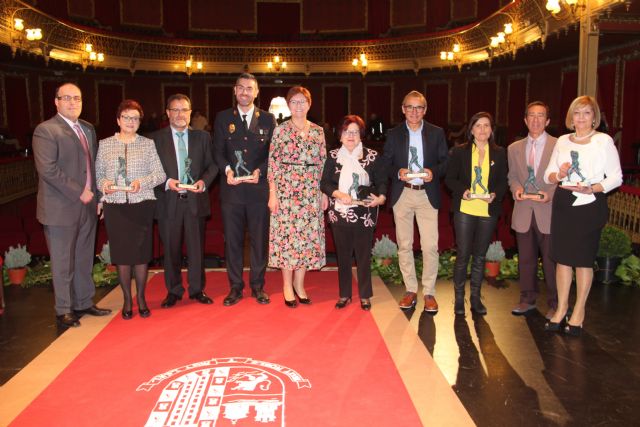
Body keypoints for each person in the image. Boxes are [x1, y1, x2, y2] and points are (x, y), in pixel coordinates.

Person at [32, 82, 111, 327]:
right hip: (60, 208)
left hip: (88, 205)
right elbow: (48, 170)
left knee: (84, 258)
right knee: (63, 262)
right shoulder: (46, 130)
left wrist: (97, 197)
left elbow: (93, 167)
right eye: (66, 98)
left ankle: (84, 302)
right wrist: (80, 192)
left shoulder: (87, 128)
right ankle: (64, 309)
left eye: (77, 98)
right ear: (56, 102)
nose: (72, 102)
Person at [543, 96, 622, 336]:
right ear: (571, 116)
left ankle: (579, 311)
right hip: (564, 204)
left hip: (589, 204)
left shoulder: (603, 141)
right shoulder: (562, 141)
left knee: (582, 260)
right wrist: (560, 174)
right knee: (563, 259)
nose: (581, 118)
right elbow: (548, 175)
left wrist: (593, 188)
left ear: (594, 116)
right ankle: (561, 309)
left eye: (587, 113)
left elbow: (616, 177)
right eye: (577, 113)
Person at [95, 100, 166, 319]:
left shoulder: (147, 144)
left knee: (141, 255)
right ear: (118, 120)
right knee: (123, 256)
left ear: (140, 122)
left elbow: (160, 174)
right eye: (126, 117)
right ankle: (127, 300)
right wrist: (105, 184)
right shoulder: (105, 144)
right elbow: (98, 175)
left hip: (141, 204)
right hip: (115, 206)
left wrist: (141, 183)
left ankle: (141, 298)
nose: (130, 121)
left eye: (135, 118)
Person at [213, 73, 277, 306]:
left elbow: (273, 154)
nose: (244, 92)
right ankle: (235, 287)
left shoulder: (268, 119)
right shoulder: (222, 118)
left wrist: (261, 170)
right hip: (232, 191)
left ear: (256, 92)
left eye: (249, 88)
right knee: (233, 241)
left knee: (259, 241)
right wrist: (227, 170)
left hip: (258, 190)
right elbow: (217, 151)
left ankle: (258, 286)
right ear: (234, 90)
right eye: (240, 88)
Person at [382, 90, 448, 313]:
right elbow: (385, 163)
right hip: (403, 194)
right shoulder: (394, 134)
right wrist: (397, 172)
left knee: (430, 246)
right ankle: (410, 289)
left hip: (427, 194)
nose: (414, 111)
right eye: (409, 107)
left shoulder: (437, 133)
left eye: (418, 107)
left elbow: (445, 162)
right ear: (403, 109)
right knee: (404, 245)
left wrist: (433, 172)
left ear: (425, 110)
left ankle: (429, 292)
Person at [152, 94, 218, 308]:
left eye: (184, 110)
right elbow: (150, 170)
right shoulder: (155, 139)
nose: (180, 114)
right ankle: (173, 291)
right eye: (176, 110)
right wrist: (167, 182)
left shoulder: (202, 137)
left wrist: (203, 182)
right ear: (168, 113)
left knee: (196, 249)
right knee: (170, 250)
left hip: (194, 201)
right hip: (168, 201)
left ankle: (197, 289)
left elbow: (213, 166)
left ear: (190, 113)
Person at [267, 86, 328, 307]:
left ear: (309, 104)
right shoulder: (280, 130)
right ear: (288, 105)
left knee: (306, 239)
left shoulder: (318, 131)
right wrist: (273, 194)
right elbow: (273, 164)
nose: (298, 105)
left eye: (303, 101)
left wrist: (323, 192)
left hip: (311, 192)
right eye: (294, 101)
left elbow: (323, 164)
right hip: (286, 191)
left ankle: (300, 285)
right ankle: (287, 285)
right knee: (287, 240)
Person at [321, 115, 387, 310]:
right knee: (343, 256)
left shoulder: (372, 156)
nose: (351, 136)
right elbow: (324, 183)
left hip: (364, 213)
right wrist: (338, 194)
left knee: (363, 256)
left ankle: (365, 295)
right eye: (347, 132)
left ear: (361, 135)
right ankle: (344, 294)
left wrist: (381, 198)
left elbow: (382, 181)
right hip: (339, 213)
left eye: (355, 132)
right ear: (340, 135)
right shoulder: (333, 156)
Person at [445, 112, 508, 316]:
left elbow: (503, 181)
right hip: (465, 209)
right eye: (478, 125)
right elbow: (450, 179)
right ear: (471, 129)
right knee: (463, 254)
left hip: (487, 211)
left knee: (480, 256)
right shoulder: (459, 151)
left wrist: (495, 194)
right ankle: (458, 298)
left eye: (486, 125)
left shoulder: (500, 153)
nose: (482, 129)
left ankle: (475, 298)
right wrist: (462, 190)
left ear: (491, 130)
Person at [507, 101, 558, 319]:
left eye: (540, 115)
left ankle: (557, 303)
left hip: (549, 211)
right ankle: (527, 299)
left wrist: (550, 193)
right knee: (526, 260)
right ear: (525, 120)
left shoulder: (559, 145)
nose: (536, 120)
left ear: (547, 120)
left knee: (551, 261)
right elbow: (512, 176)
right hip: (524, 210)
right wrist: (516, 189)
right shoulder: (514, 148)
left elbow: (562, 177)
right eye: (532, 115)